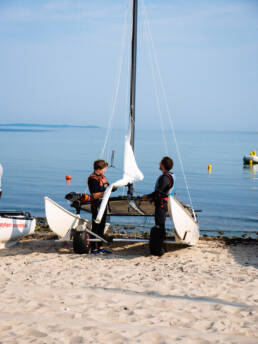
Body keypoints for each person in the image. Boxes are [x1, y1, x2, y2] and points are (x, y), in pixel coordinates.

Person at [142, 156, 174, 256]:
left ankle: (159, 248)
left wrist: (147, 196)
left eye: (160, 163)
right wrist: (152, 197)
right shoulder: (168, 176)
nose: (159, 164)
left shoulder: (165, 178)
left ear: (163, 165)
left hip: (161, 205)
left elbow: (158, 193)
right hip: (161, 203)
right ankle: (162, 247)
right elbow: (159, 193)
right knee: (160, 225)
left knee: (160, 225)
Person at [88, 159, 111, 254]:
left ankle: (100, 247)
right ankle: (94, 248)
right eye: (104, 169)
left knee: (102, 227)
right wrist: (106, 191)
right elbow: (95, 195)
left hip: (103, 204)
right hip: (96, 206)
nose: (105, 170)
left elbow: (108, 187)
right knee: (96, 227)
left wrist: (112, 187)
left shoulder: (102, 177)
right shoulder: (93, 179)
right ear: (99, 169)